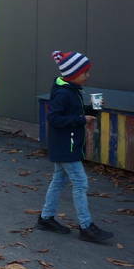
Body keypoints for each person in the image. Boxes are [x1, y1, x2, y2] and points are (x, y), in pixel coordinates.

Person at [36, 51, 114, 243]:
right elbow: (54, 118)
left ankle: (46, 218)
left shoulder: (71, 90)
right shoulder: (63, 93)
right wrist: (81, 119)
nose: (88, 76)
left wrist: (91, 109)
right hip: (65, 146)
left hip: (67, 145)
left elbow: (74, 112)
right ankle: (86, 226)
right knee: (80, 183)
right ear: (73, 74)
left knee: (59, 181)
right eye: (85, 72)